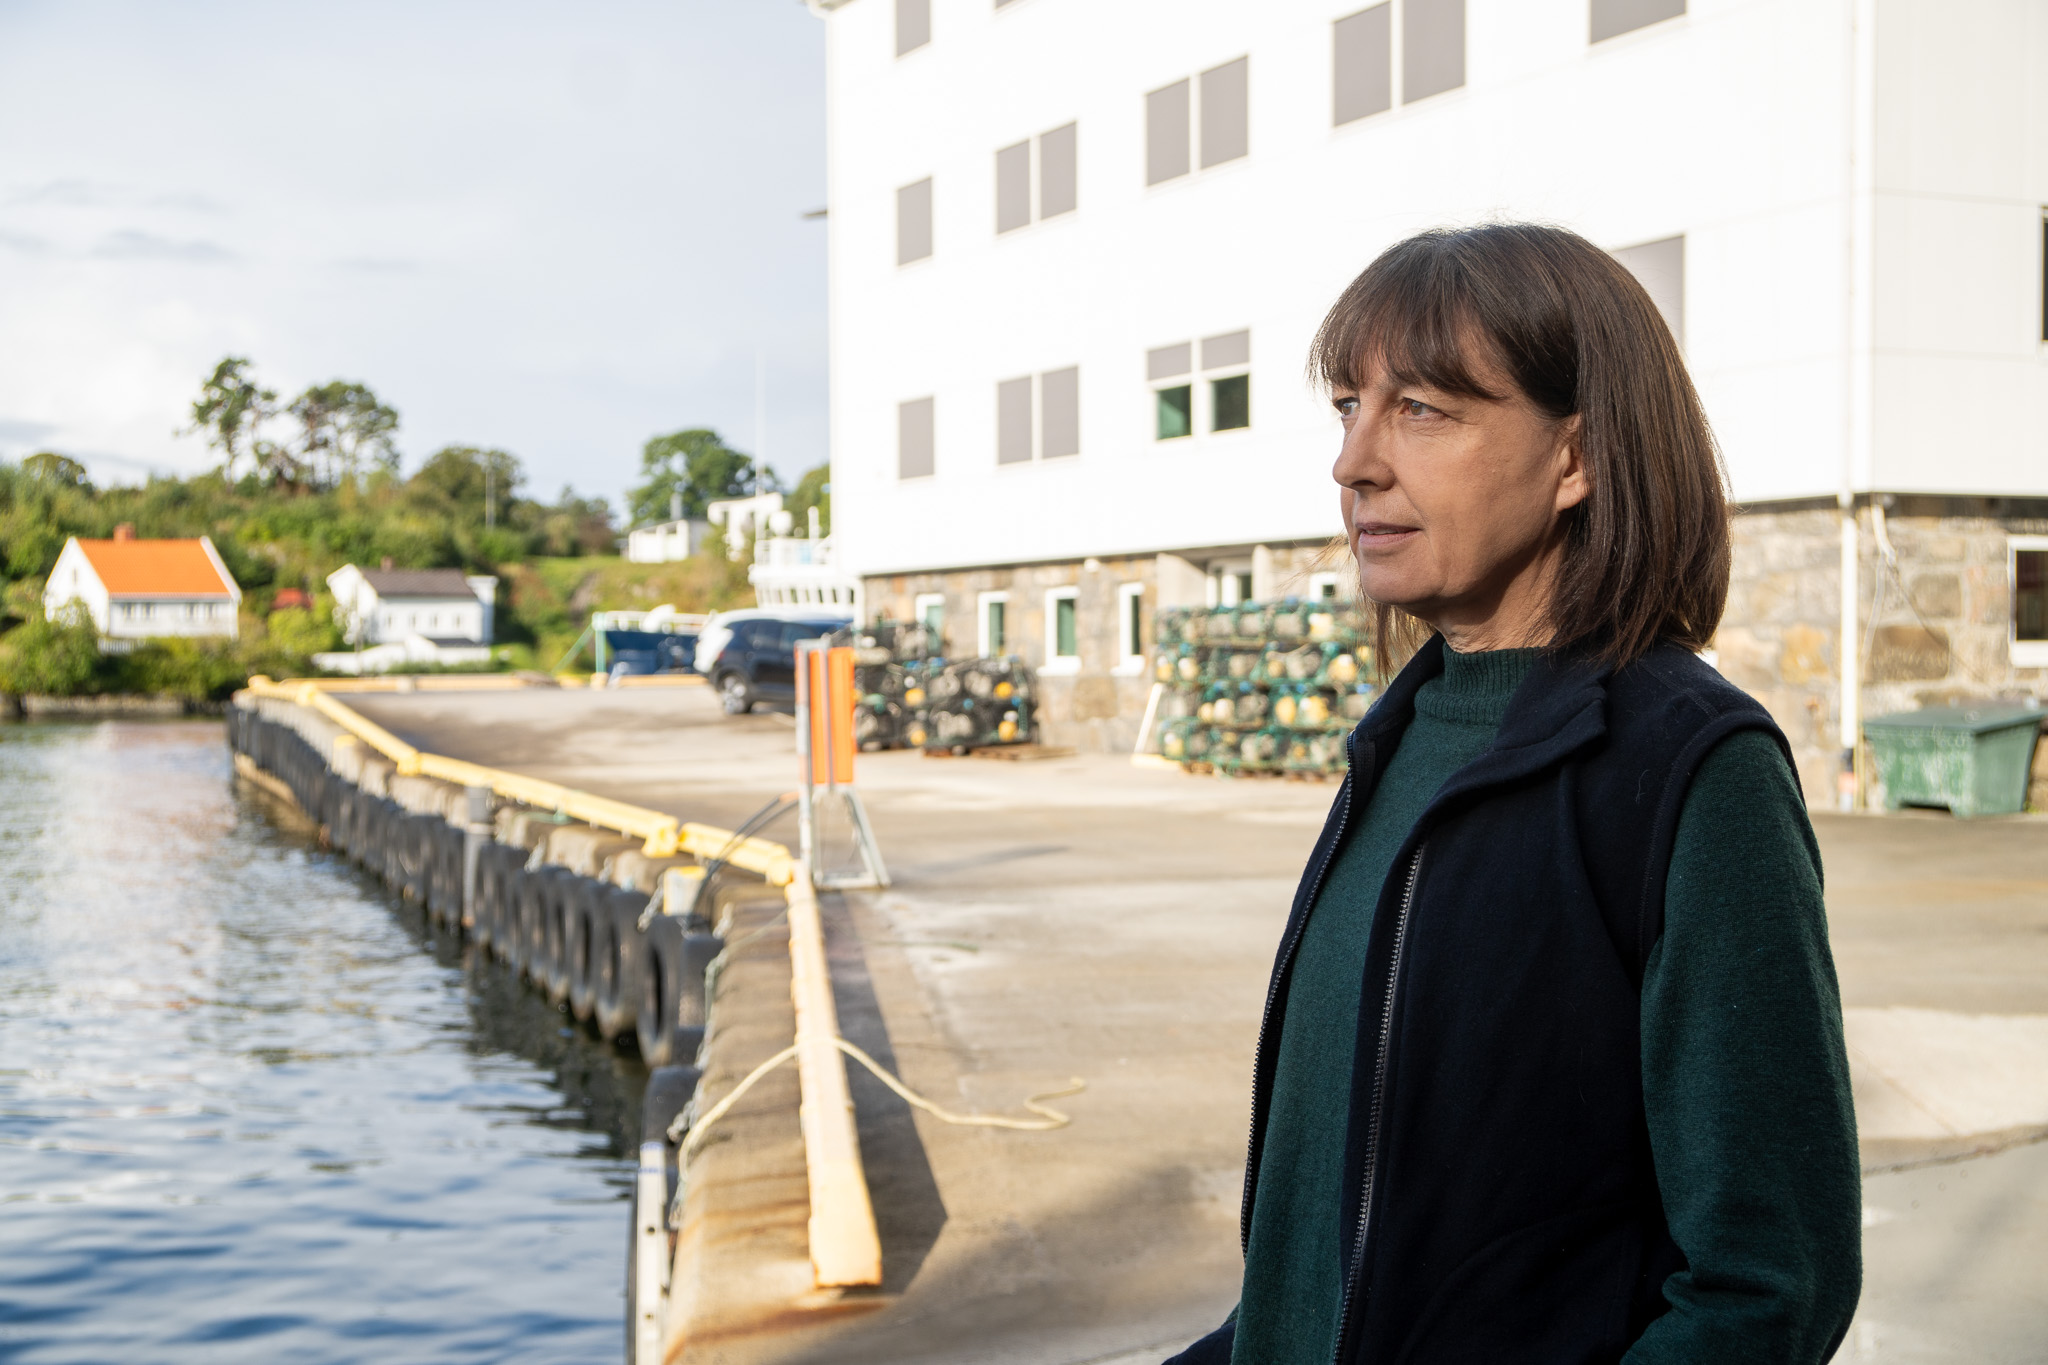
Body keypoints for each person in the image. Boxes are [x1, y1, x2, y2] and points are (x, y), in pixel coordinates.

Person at [1167, 224, 1861, 1364]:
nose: (1353, 462)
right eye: (1348, 405)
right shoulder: (1398, 741)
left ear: (1575, 459)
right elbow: (1326, 1247)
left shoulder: (1690, 771)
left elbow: (1763, 1284)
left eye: (1423, 409)